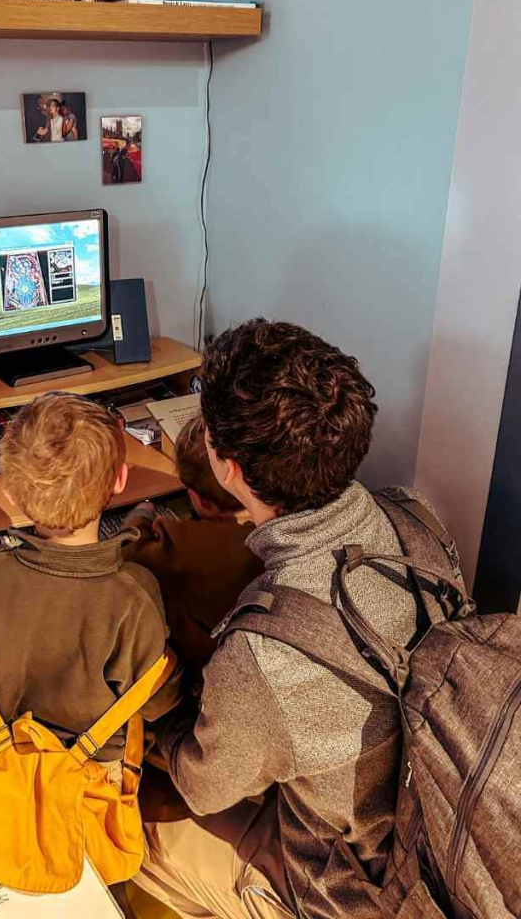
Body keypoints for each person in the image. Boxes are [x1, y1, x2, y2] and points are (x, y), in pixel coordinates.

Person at [134, 320, 454, 919]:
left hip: (349, 890)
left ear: (227, 470)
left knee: (132, 826)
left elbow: (205, 786)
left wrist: (161, 716)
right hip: (433, 821)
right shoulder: (416, 516)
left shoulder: (265, 653)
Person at [0, 392, 181, 788]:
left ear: (10, 493)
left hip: (14, 755)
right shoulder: (134, 593)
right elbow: (157, 700)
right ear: (120, 479)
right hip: (97, 773)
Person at [123, 415, 261, 673]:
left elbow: (128, 551)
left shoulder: (180, 544)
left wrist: (141, 513)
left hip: (204, 664)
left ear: (204, 502)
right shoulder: (271, 531)